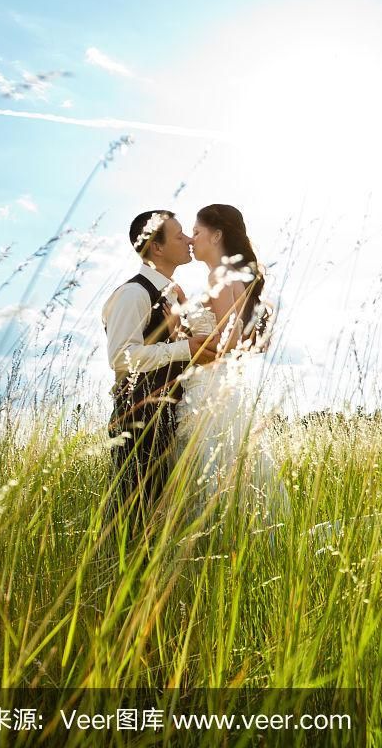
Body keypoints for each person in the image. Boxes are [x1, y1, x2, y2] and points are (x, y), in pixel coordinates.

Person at [173, 203, 289, 528]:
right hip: (222, 385)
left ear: (216, 235)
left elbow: (228, 342)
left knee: (208, 470)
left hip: (208, 390)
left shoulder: (220, 277)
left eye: (196, 232)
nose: (191, 239)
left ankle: (214, 534)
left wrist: (181, 335)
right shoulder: (231, 277)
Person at [102, 210, 217, 535]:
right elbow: (121, 357)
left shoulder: (174, 295)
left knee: (162, 518)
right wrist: (184, 348)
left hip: (169, 415)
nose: (188, 239)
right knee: (133, 516)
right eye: (179, 235)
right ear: (157, 247)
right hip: (139, 419)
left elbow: (204, 349)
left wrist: (187, 338)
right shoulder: (134, 293)